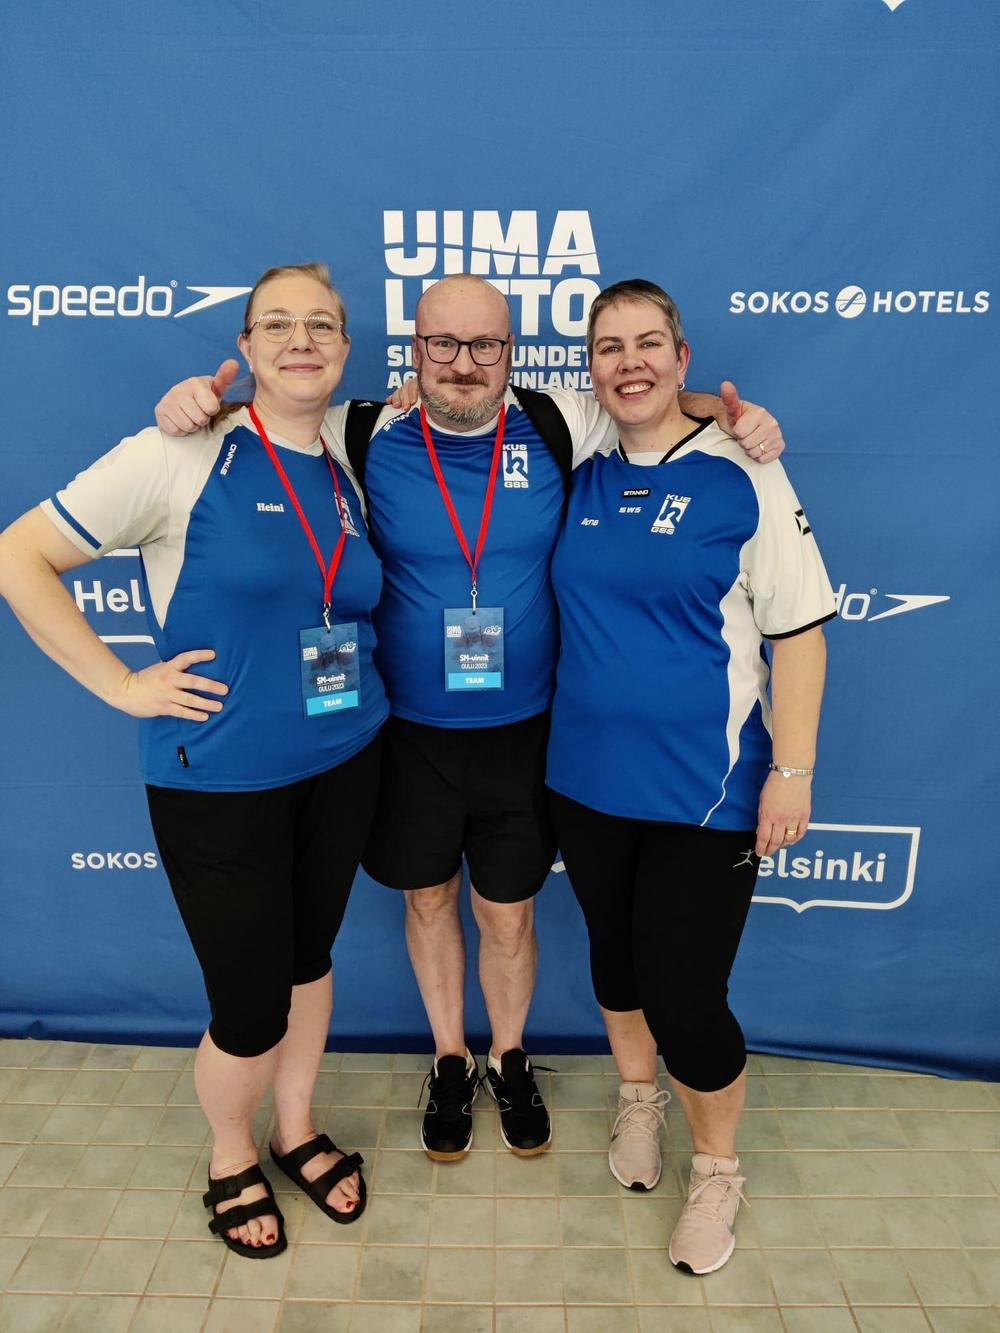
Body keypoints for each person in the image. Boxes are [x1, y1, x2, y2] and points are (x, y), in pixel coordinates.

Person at [153, 273, 787, 1165]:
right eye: (441, 345)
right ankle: (450, 1056)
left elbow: (647, 398)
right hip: (406, 732)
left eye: (485, 345)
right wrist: (193, 404)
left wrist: (733, 413)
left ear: (511, 353)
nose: (462, 363)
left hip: (528, 730)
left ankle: (509, 1055)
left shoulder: (560, 419)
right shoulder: (361, 429)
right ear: (414, 351)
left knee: (508, 912)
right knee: (427, 898)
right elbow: (269, 417)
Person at [0, 263, 388, 1258]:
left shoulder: (349, 452)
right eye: (277, 325)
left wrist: (717, 411)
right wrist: (122, 684)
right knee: (249, 1004)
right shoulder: (181, 451)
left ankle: (294, 1128)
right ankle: (231, 1151)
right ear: (245, 346)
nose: (301, 341)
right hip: (219, 777)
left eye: (321, 325)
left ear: (345, 348)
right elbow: (17, 555)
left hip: (345, 757)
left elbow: (498, 398)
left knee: (308, 960)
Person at [545, 278, 834, 1275]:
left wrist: (791, 770)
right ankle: (639, 1099)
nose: (628, 362)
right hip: (582, 780)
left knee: (686, 994)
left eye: (648, 344)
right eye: (608, 347)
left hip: (704, 792)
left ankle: (716, 1169)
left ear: (681, 356)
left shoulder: (745, 471)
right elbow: (460, 407)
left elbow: (800, 634)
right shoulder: (573, 464)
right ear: (589, 367)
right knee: (615, 963)